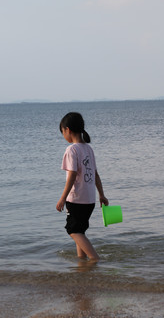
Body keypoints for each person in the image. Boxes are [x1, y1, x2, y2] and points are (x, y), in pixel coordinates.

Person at [56, 112, 108, 261]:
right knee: (80, 231)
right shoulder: (88, 149)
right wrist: (102, 195)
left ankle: (94, 259)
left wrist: (62, 198)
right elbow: (96, 174)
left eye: (62, 132)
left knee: (72, 230)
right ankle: (82, 264)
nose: (63, 136)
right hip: (89, 200)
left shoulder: (72, 150)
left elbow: (72, 175)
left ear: (68, 130)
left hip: (76, 199)